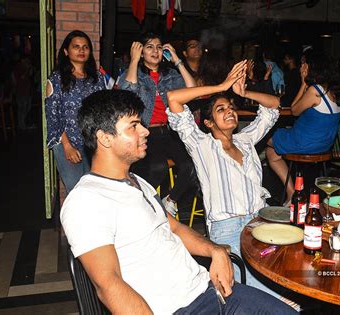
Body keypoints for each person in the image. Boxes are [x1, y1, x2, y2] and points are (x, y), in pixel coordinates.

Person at [61, 88, 296, 314]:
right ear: (104, 138)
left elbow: (174, 227)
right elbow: (109, 286)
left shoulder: (138, 183)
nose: (145, 131)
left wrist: (215, 251)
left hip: (209, 292)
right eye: (134, 126)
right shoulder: (87, 200)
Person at [167, 60, 285, 298]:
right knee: (257, 293)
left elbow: (274, 106)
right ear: (209, 123)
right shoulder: (201, 145)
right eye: (220, 109)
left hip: (260, 223)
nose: (230, 111)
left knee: (281, 282)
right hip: (228, 229)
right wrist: (222, 85)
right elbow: (174, 99)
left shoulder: (246, 139)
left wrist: (244, 92)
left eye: (231, 107)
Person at [118, 32, 198, 215]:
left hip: (170, 132)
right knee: (158, 167)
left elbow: (193, 90)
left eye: (159, 47)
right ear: (141, 52)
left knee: (191, 166)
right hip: (146, 133)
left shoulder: (170, 75)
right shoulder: (134, 74)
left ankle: (169, 200)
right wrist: (133, 60)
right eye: (149, 47)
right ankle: (144, 206)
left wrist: (177, 60)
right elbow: (126, 93)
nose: (155, 51)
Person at [266, 57, 340, 204]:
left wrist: (303, 83)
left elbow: (294, 110)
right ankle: (293, 194)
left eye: (304, 64)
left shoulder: (315, 90)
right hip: (324, 145)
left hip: (305, 142)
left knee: (265, 137)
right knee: (272, 151)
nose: (301, 66)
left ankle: (292, 194)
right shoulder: (333, 91)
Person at [45, 30, 106, 193]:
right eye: (76, 47)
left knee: (95, 191)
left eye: (85, 47)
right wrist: (67, 145)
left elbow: (103, 110)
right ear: (66, 51)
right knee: (76, 192)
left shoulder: (97, 78)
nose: (81, 50)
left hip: (94, 144)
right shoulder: (56, 79)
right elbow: (53, 116)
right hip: (67, 142)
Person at [13, 55, 34, 130]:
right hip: (20, 91)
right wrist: (27, 69)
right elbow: (22, 77)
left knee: (27, 107)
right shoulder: (18, 68)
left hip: (27, 91)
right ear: (22, 60)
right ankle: (22, 126)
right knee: (22, 108)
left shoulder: (25, 67)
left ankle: (22, 123)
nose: (26, 61)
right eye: (25, 59)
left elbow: (30, 75)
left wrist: (29, 68)